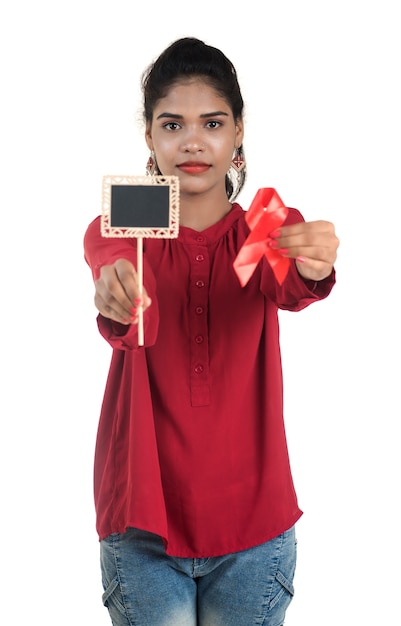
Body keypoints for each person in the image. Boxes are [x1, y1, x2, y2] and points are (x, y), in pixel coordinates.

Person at [84, 37, 339, 626]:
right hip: (143, 522)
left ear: (239, 133)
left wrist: (313, 264)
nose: (193, 141)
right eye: (172, 124)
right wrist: (114, 293)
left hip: (255, 525)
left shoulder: (266, 227)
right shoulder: (128, 226)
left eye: (213, 123)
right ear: (149, 136)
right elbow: (113, 272)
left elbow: (291, 288)